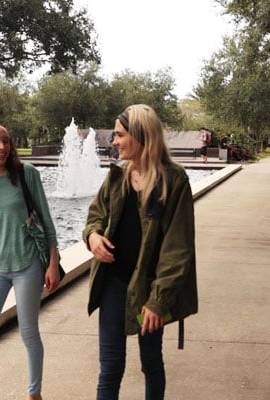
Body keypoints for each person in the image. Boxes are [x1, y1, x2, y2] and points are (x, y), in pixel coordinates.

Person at [83, 104, 198, 400]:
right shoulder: (118, 176)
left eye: (119, 135)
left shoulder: (173, 180)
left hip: (148, 292)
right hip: (113, 285)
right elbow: (95, 215)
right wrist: (93, 236)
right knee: (109, 368)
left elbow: (178, 248)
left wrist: (159, 301)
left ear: (140, 135)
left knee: (150, 363)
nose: (115, 141)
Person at [0, 122, 62, 400]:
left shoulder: (25, 174)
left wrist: (52, 263)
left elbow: (47, 222)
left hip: (27, 266)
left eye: (6, 141)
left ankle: (34, 394)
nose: (2, 147)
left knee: (29, 332)